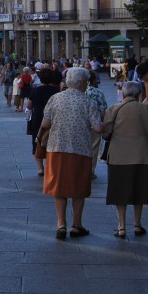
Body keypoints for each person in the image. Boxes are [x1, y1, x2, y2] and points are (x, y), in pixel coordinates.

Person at [35, 67, 103, 239]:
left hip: (56, 148)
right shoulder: (88, 101)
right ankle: (76, 224)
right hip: (80, 149)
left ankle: (61, 224)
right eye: (86, 81)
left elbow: (45, 123)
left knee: (60, 188)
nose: (87, 84)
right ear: (81, 83)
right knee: (78, 189)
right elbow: (97, 127)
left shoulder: (55, 99)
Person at [102, 82, 148, 239]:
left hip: (118, 156)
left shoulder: (113, 109)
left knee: (120, 192)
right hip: (140, 156)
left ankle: (121, 227)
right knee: (138, 190)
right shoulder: (145, 110)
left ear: (124, 94)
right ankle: (137, 224)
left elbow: (106, 134)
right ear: (139, 94)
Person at [27, 68, 59, 176]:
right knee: (53, 140)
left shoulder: (35, 90)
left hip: (38, 117)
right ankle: (51, 164)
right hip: (54, 118)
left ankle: (41, 168)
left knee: (38, 140)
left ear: (40, 78)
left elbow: (29, 106)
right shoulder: (56, 91)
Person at [84, 67, 109, 179]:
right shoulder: (98, 93)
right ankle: (90, 171)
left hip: (80, 123)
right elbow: (103, 112)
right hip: (95, 124)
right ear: (94, 80)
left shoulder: (79, 91)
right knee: (93, 148)